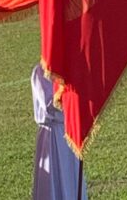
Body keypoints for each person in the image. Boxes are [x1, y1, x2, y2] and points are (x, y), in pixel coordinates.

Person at [31, 64, 86, 200]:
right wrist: (70, 94)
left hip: (70, 131)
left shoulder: (69, 70)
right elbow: (49, 106)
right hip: (52, 134)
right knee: (53, 179)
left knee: (71, 177)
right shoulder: (41, 72)